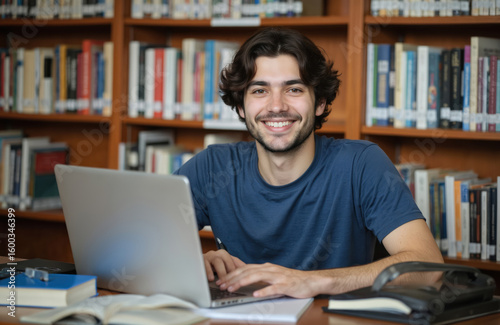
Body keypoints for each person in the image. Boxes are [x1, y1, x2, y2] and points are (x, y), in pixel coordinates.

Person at [173, 27, 443, 299]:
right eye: (259, 90)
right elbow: (134, 248)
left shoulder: (361, 164)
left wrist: (313, 281)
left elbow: (429, 268)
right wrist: (191, 264)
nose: (276, 106)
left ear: (319, 103)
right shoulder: (212, 168)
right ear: (241, 107)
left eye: (293, 89)